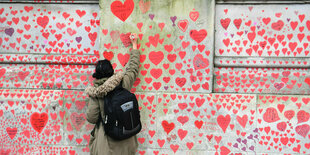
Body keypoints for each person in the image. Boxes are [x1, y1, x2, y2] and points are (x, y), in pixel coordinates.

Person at [85, 33, 140, 155]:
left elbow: (91, 118)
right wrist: (134, 45)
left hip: (107, 145)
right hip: (127, 139)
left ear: (97, 75)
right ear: (111, 71)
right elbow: (133, 68)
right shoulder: (122, 83)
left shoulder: (96, 93)